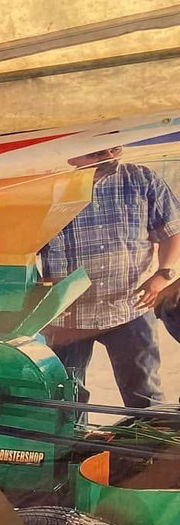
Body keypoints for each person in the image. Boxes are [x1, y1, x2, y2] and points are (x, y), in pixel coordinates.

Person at [40, 146, 180, 409]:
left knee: (145, 397)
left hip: (131, 308)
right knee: (65, 400)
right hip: (67, 316)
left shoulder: (142, 179)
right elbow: (22, 246)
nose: (109, 157)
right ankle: (74, 437)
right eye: (96, 153)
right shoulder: (48, 189)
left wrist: (164, 274)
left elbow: (172, 230)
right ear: (71, 154)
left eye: (114, 149)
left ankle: (147, 435)